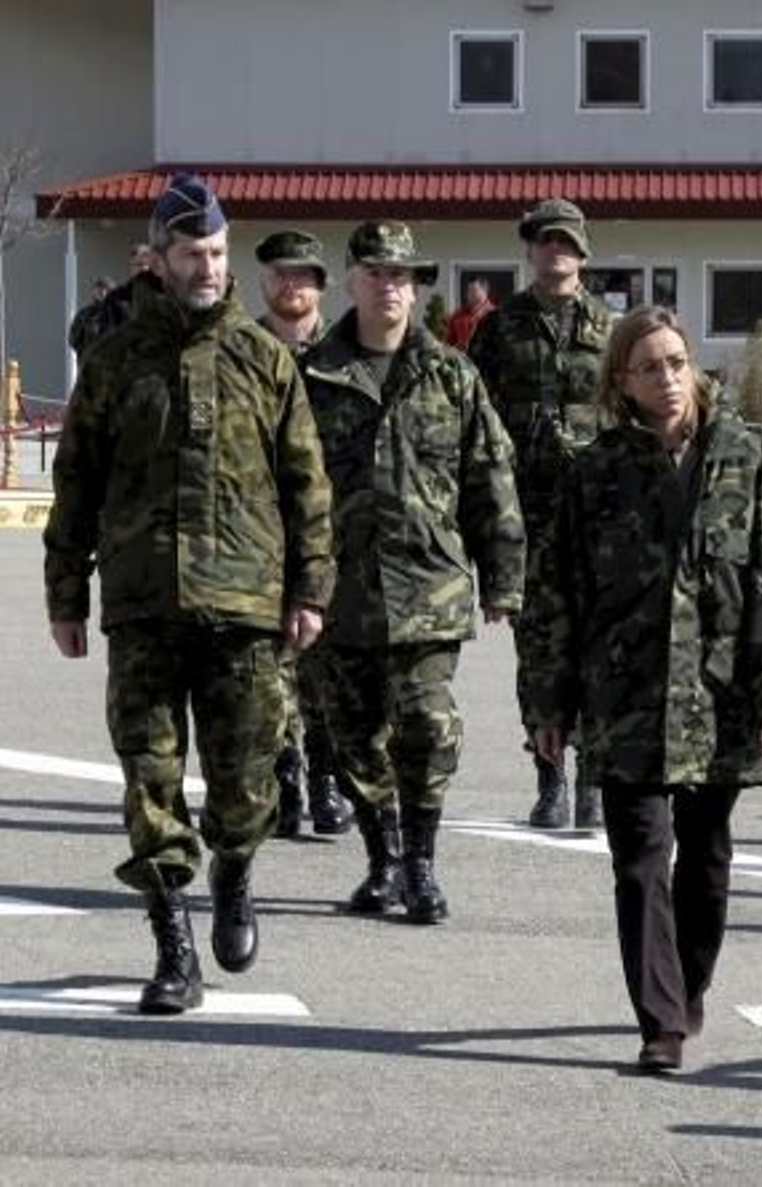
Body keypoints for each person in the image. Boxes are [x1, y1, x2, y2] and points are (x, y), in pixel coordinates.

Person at [43, 174, 334, 1015]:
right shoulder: (114, 361)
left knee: (246, 782)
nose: (207, 267)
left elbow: (307, 485)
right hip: (143, 607)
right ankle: (173, 947)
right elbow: (76, 486)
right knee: (150, 779)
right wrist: (66, 595)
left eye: (215, 252)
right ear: (159, 257)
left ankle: (235, 868)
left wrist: (310, 589)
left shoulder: (263, 357)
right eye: (190, 253)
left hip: (246, 609)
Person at [525, 304, 762, 1072]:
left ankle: (689, 982)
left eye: (676, 362)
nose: (668, 378)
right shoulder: (596, 470)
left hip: (721, 692)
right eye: (649, 366)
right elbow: (555, 593)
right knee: (641, 856)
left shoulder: (741, 454)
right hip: (625, 692)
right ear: (623, 381)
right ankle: (660, 1020)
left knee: (707, 852)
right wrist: (547, 705)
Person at [301, 220, 524, 924]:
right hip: (340, 590)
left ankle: (421, 863)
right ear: (351, 280)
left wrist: (504, 576)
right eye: (378, 272)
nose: (392, 286)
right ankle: (382, 859)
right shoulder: (312, 375)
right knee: (354, 733)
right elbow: (279, 482)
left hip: (430, 585)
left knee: (427, 725)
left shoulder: (450, 373)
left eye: (404, 275)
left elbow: (491, 477)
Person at [469, 198, 614, 830]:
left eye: (566, 243)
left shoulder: (612, 329)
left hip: (596, 520)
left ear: (582, 254)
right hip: (524, 518)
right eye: (544, 242)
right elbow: (474, 423)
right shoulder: (500, 329)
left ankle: (593, 782)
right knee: (539, 655)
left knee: (597, 650)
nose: (556, 252)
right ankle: (549, 777)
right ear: (529, 251)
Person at [253, 229, 352, 839]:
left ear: (321, 286)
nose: (292, 284)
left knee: (329, 663)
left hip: (332, 529)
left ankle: (326, 777)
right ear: (264, 280)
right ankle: (285, 779)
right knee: (271, 662)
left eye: (304, 275)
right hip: (261, 530)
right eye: (281, 274)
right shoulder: (243, 348)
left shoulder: (344, 354)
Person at [67, 277, 115, 360]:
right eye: (99, 290)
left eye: (106, 290)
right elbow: (73, 339)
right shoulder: (84, 314)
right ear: (94, 292)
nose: (102, 293)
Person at [446, 277, 497, 350]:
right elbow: (449, 343)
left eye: (473, 290)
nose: (469, 295)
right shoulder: (458, 315)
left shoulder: (495, 315)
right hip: (461, 359)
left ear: (485, 291)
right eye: (468, 291)